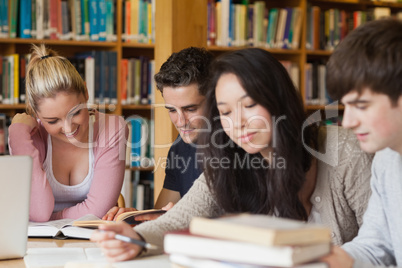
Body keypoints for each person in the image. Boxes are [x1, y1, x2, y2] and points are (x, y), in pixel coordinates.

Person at [91, 48, 373, 262]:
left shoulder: (343, 150)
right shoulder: (227, 156)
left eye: (249, 105)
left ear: (279, 99)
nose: (236, 123)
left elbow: (383, 243)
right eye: (225, 112)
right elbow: (179, 219)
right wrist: (135, 237)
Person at [8, 44, 128, 222]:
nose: (68, 128)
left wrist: (49, 219)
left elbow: (95, 212)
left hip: (89, 239)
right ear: (35, 113)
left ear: (86, 93)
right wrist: (16, 135)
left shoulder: (113, 128)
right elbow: (38, 211)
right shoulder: (28, 137)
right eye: (53, 121)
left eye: (76, 113)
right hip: (36, 243)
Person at [320, 19, 402, 268]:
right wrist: (324, 260)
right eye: (346, 106)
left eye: (362, 106)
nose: (348, 122)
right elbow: (376, 247)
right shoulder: (386, 159)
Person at [102, 47, 214, 221]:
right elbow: (161, 216)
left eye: (190, 109)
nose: (181, 121)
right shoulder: (180, 146)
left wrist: (180, 218)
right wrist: (134, 218)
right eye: (172, 110)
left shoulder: (238, 145)